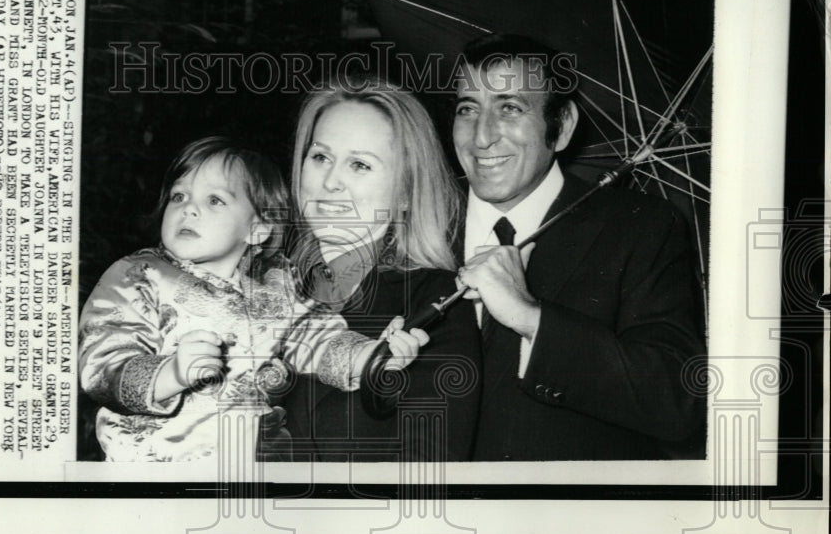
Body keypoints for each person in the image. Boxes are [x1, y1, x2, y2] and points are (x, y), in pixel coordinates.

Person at [78, 136, 424, 462]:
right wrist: (172, 373)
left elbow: (313, 336)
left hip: (251, 462)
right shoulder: (139, 275)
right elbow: (102, 362)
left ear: (257, 229)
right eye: (179, 196)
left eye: (214, 200)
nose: (189, 210)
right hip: (154, 464)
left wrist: (372, 358)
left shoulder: (275, 283)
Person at [453, 33, 706, 460]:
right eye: (467, 109)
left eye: (510, 108)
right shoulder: (418, 219)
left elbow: (678, 401)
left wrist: (532, 318)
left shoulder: (641, 227)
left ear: (563, 125)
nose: (481, 137)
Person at [276, 78, 483, 462]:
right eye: (320, 156)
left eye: (359, 164)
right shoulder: (263, 280)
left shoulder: (436, 303)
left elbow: (429, 475)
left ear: (405, 194)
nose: (330, 181)